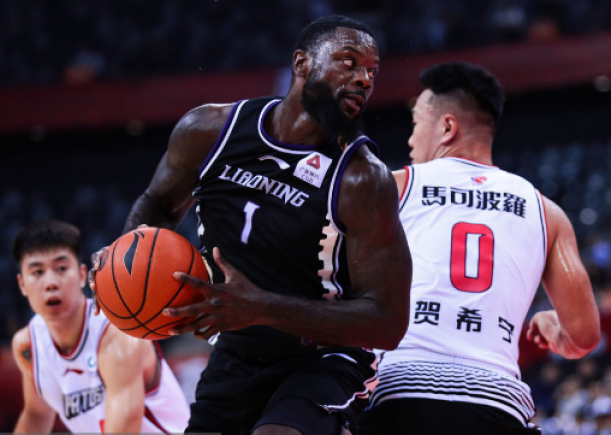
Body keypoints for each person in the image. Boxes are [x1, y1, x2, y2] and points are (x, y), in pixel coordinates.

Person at [89, 14, 412, 435]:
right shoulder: (209, 131)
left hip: (323, 358)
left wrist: (259, 307)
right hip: (237, 352)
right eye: (349, 62)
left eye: (372, 71)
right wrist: (122, 261)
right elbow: (158, 203)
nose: (364, 79)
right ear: (302, 63)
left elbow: (388, 322)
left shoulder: (362, 178)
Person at [359, 62, 601, 434]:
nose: (410, 140)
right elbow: (584, 337)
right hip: (496, 399)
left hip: (402, 388)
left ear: (447, 127)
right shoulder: (546, 212)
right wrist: (557, 331)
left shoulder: (392, 188)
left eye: (416, 123)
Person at [11, 220, 189, 433]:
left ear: (82, 275)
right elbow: (37, 414)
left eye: (61, 269)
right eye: (37, 272)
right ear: (22, 284)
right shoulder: (27, 345)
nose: (51, 283)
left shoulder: (117, 334)